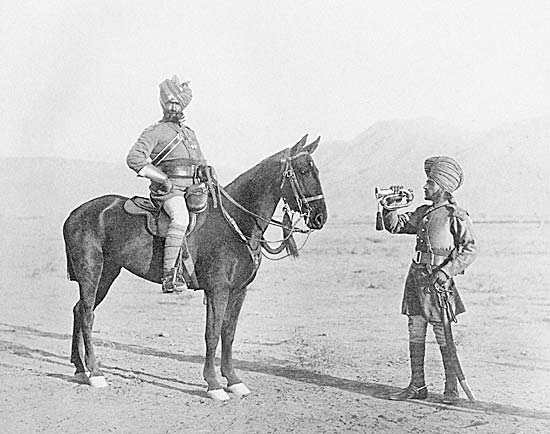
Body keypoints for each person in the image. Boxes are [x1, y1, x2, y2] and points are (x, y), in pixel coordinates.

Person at [382, 156, 478, 404]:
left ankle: (451, 389)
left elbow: (469, 249)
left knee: (442, 334)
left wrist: (446, 272)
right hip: (416, 279)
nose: (424, 187)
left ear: (442, 186)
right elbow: (396, 227)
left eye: (429, 183)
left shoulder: (454, 215)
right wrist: (389, 206)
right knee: (415, 330)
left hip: (438, 283)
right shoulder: (423, 212)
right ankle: (417, 385)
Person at [127, 75, 207, 293]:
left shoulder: (190, 135)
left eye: (177, 103)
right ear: (163, 104)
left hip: (193, 191)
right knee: (180, 217)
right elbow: (134, 158)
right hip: (169, 193)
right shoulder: (156, 131)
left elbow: (199, 162)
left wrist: (206, 172)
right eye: (170, 103)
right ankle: (170, 275)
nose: (173, 107)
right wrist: (162, 179)